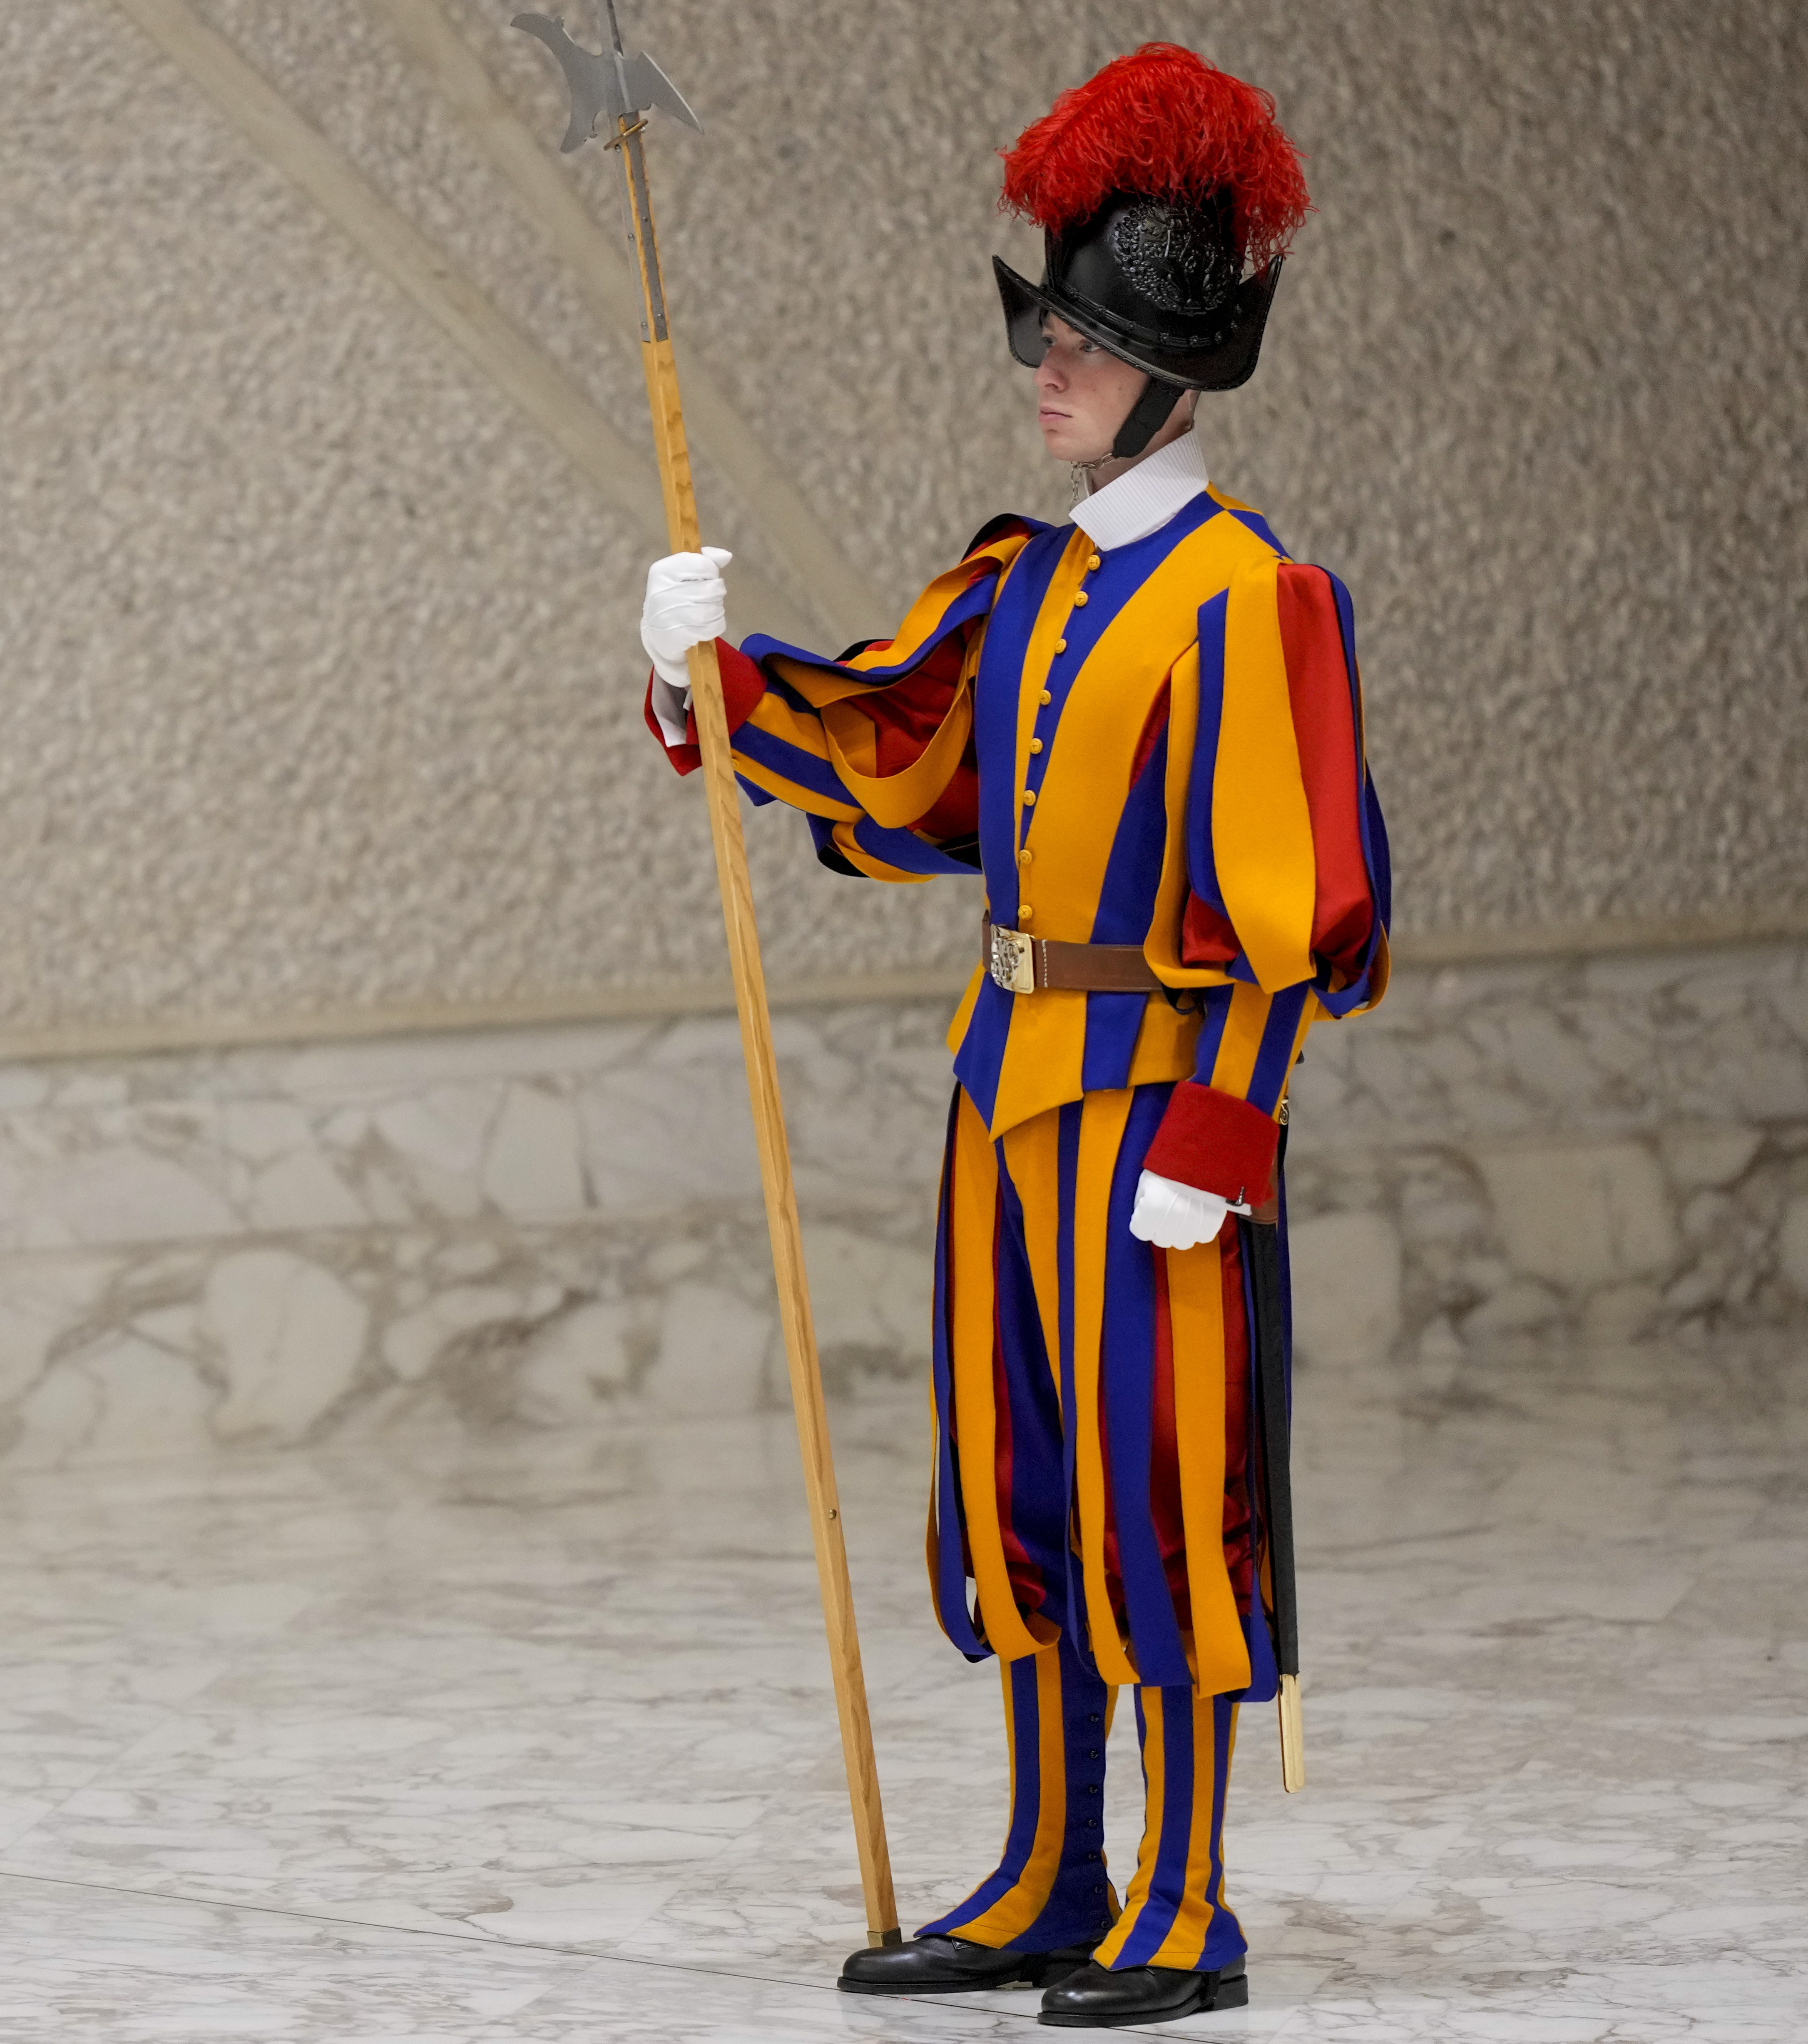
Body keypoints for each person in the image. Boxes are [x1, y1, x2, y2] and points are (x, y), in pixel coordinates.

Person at [636, 47, 1390, 2028]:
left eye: (1080, 337)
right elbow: (899, 754)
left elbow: (1294, 919)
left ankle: (1182, 1896)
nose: (1041, 364)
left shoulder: (1252, 603)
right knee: (1021, 1480)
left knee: (1167, 1484)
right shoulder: (1026, 583)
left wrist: (1218, 1148)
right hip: (1009, 1099)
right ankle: (1054, 1862)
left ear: (1171, 366)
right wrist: (699, 669)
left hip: (1160, 1118)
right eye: (1044, 328)